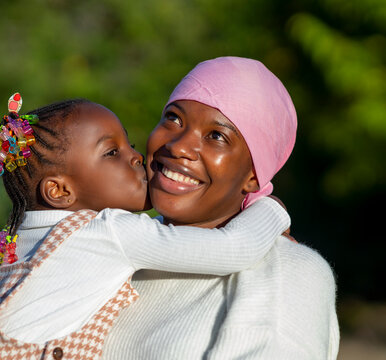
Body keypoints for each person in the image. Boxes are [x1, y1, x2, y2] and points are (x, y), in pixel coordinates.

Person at [0, 94, 291, 359]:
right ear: (60, 192)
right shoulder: (108, 232)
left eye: (129, 143)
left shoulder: (15, 244)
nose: (135, 157)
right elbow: (234, 250)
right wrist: (270, 209)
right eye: (111, 152)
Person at [101, 57, 340, 359]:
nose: (179, 146)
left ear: (254, 176)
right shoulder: (116, 242)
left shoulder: (284, 276)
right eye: (174, 118)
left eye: (217, 137)